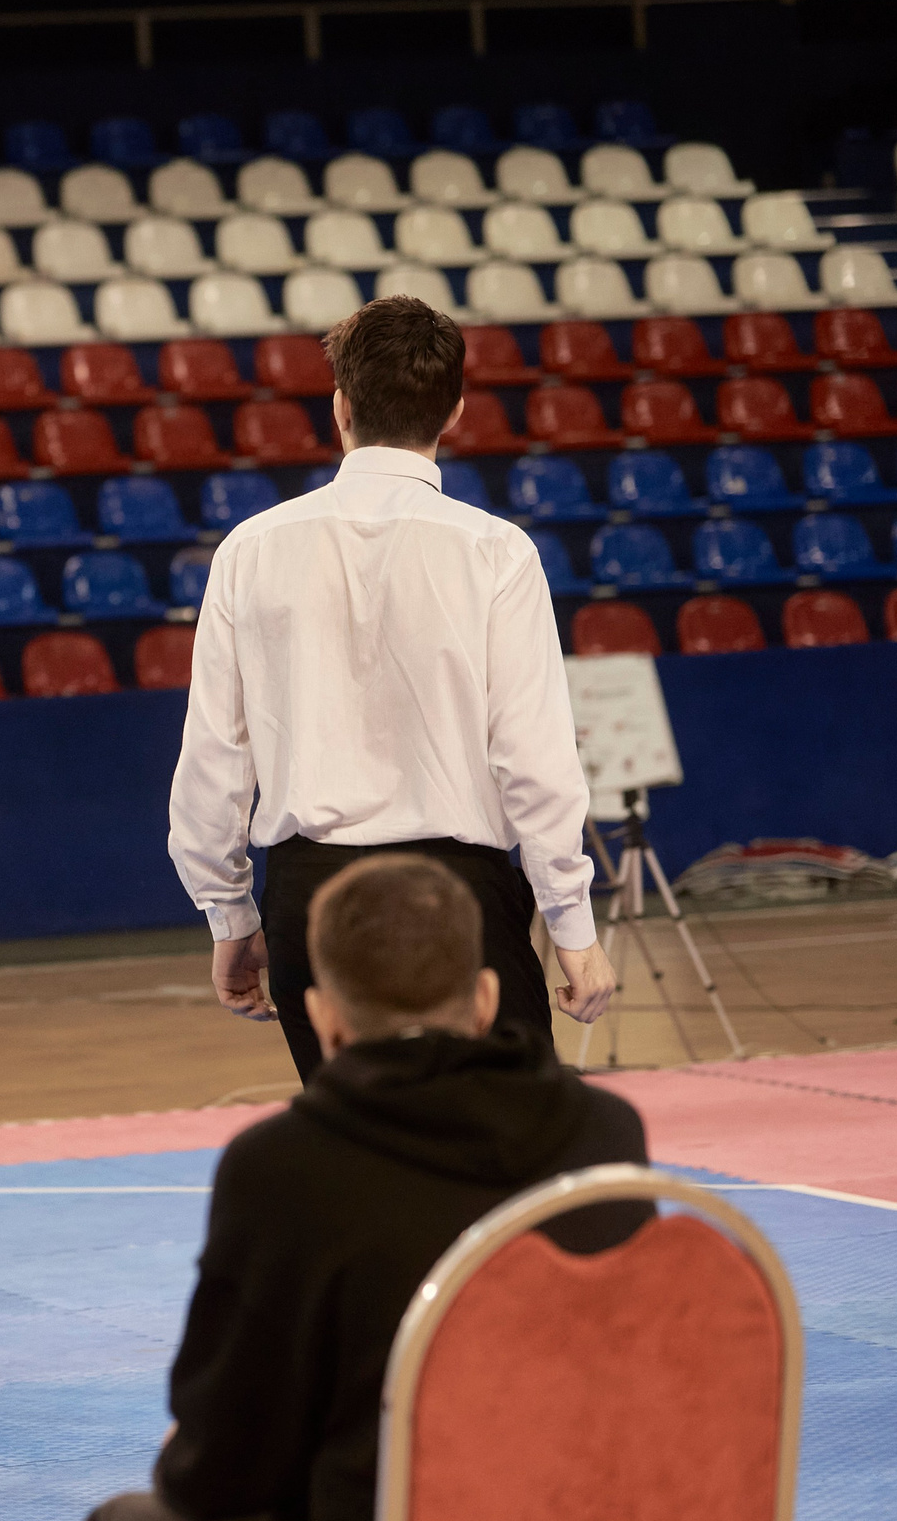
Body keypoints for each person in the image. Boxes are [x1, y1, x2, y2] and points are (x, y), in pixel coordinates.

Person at [71, 854, 671, 1521]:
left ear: (324, 1019)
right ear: (487, 995)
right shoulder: (608, 1135)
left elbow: (215, 1474)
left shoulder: (282, 1167)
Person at [165, 294, 615, 1084]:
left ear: (339, 405)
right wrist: (570, 922)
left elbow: (213, 759)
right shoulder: (497, 554)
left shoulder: (250, 551)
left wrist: (229, 917)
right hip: (461, 894)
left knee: (362, 1158)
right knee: (505, 1162)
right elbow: (533, 758)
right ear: (455, 411)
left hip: (313, 896)